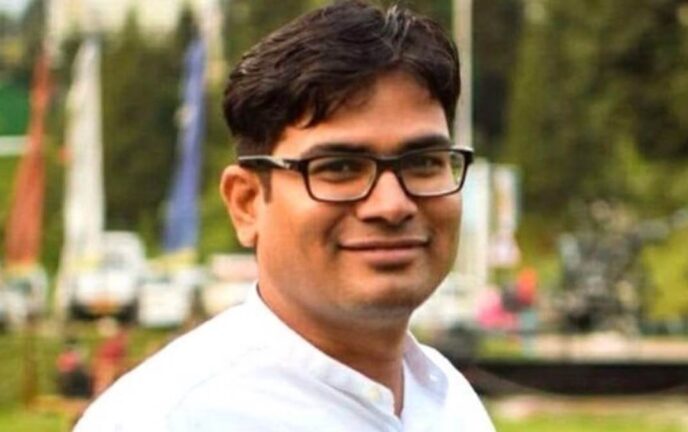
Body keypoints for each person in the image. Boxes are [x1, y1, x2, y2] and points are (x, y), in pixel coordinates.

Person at [74, 1, 495, 430]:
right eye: (339, 168)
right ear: (246, 202)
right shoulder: (167, 419)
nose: (392, 205)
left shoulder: (450, 402)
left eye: (423, 163)